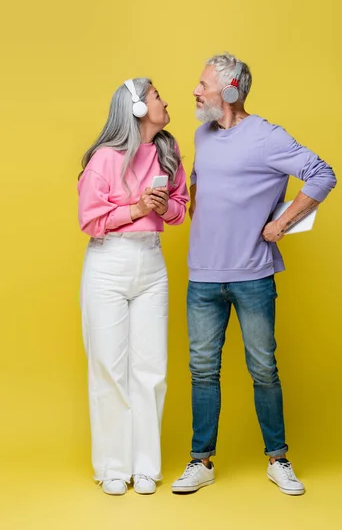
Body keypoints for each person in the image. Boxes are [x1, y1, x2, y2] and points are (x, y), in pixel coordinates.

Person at [172, 53, 337, 496]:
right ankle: (200, 461)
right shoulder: (202, 135)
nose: (195, 90)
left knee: (263, 368)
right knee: (202, 371)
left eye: (202, 83)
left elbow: (322, 174)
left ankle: (278, 459)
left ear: (230, 89)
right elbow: (198, 186)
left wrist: (280, 223)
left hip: (252, 275)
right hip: (202, 276)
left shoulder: (266, 137)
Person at [78, 78, 189, 496]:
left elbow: (179, 208)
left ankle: (145, 466)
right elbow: (89, 219)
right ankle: (112, 466)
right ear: (138, 108)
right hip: (108, 261)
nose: (166, 100)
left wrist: (165, 208)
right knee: (109, 366)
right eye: (158, 95)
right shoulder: (104, 159)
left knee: (151, 368)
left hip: (151, 262)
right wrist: (136, 208)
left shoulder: (168, 151)